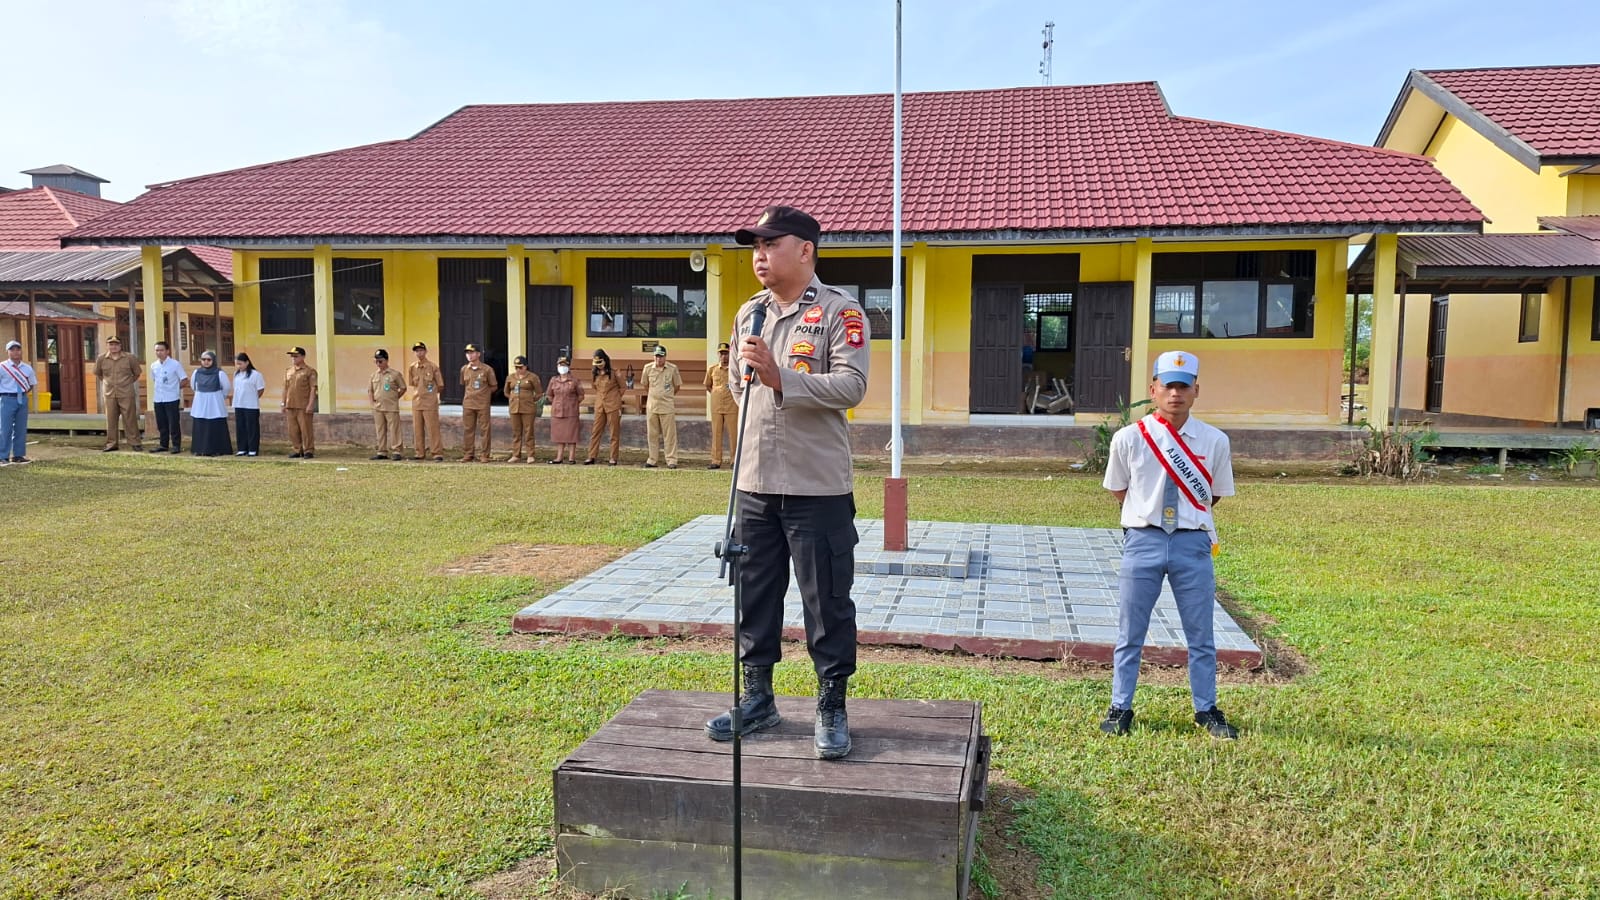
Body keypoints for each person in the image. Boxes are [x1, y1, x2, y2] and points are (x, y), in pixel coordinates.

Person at [704, 205, 870, 761]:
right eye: (754, 246)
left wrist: (783, 378)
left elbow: (851, 386)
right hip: (754, 481)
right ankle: (758, 699)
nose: (759, 255)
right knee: (754, 594)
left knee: (825, 600)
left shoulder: (839, 313)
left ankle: (831, 704)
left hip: (815, 486)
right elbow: (734, 383)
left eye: (771, 244)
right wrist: (758, 376)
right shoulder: (748, 314)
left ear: (805, 250)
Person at [1100, 350, 1239, 740]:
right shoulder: (1129, 438)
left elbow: (1213, 494)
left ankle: (1206, 708)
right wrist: (1149, 516)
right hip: (1142, 540)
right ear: (1153, 390)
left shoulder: (1215, 441)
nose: (1175, 393)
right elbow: (1120, 490)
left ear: (1196, 390)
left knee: (1201, 634)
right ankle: (1120, 706)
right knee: (1131, 631)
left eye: (1183, 386)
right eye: (1167, 386)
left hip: (1192, 544)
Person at [93, 335, 143, 451]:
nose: (113, 346)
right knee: (110, 420)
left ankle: (135, 443)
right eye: (111, 344)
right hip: (109, 393)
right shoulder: (101, 358)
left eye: (116, 344)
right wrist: (108, 383)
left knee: (130, 418)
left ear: (120, 346)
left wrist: (126, 383)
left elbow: (136, 373)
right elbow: (99, 374)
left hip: (126, 393)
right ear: (107, 346)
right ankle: (112, 444)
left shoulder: (130, 358)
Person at [642, 345, 682, 469]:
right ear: (654, 356)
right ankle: (652, 459)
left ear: (665, 357)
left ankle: (671, 460)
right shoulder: (648, 368)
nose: (658, 359)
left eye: (661, 356)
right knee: (652, 434)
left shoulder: (672, 368)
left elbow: (677, 386)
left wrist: (666, 396)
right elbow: (645, 385)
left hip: (667, 406)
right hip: (652, 406)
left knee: (669, 435)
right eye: (656, 356)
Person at [187, 350, 232, 457]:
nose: (206, 362)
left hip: (215, 402)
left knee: (214, 425)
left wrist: (219, 397)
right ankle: (199, 449)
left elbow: (226, 387)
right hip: (200, 402)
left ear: (213, 360)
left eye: (209, 360)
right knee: (200, 424)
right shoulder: (196, 372)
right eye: (203, 360)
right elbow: (193, 386)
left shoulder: (219, 373)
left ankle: (216, 449)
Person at [583, 349, 623, 466]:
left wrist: (615, 397)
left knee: (614, 433)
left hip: (613, 405)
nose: (599, 366)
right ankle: (591, 456)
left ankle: (613, 458)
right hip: (600, 405)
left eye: (600, 362)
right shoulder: (594, 373)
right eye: (597, 364)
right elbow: (594, 387)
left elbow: (623, 388)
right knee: (595, 432)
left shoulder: (615, 372)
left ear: (605, 361)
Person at [1, 339, 38, 465]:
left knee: (20, 428)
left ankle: (18, 455)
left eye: (18, 349)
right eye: (12, 349)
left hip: (22, 398)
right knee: (4, 428)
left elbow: (31, 384)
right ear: (8, 351)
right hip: (6, 398)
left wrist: (22, 393)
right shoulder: (2, 367)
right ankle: (2, 456)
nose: (16, 352)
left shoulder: (27, 368)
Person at [147, 340, 188, 454]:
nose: (159, 353)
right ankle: (163, 444)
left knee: (173, 423)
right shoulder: (154, 365)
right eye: (157, 350)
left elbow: (184, 380)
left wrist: (174, 388)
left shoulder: (175, 364)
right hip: (158, 398)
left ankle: (176, 445)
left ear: (167, 351)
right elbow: (154, 379)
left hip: (171, 398)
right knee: (161, 423)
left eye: (161, 350)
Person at [459, 343, 497, 462]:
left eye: (472, 353)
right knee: (468, 429)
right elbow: (463, 384)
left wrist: (484, 395)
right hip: (468, 403)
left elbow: (494, 386)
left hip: (482, 404)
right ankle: (468, 453)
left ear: (478, 354)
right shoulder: (464, 369)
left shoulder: (487, 369)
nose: (469, 355)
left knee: (484, 430)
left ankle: (485, 454)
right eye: (467, 353)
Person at [408, 341, 446, 461]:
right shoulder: (412, 367)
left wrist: (431, 395)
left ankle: (437, 453)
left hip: (430, 402)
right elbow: (412, 384)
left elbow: (440, 385)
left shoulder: (433, 367)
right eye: (417, 351)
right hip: (416, 402)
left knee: (432, 428)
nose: (419, 353)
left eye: (421, 350)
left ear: (425, 351)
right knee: (417, 429)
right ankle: (419, 453)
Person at [367, 349, 407, 460]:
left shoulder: (395, 374)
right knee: (380, 430)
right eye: (376, 362)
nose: (378, 364)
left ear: (386, 360)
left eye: (381, 361)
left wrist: (395, 397)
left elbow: (403, 388)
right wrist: (372, 404)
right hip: (378, 407)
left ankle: (397, 451)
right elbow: (370, 391)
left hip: (391, 406)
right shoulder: (373, 375)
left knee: (394, 429)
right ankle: (382, 451)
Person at [503, 355, 543, 463]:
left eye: (520, 367)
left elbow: (539, 393)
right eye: (516, 367)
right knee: (516, 432)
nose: (518, 370)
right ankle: (516, 454)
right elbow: (506, 391)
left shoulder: (532, 377)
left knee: (528, 431)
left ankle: (530, 454)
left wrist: (530, 399)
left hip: (528, 408)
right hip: (514, 408)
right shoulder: (511, 377)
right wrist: (512, 398)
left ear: (526, 367)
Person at [703, 341, 737, 469]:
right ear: (718, 355)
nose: (724, 357)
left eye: (726, 354)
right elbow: (708, 385)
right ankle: (716, 460)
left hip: (732, 405)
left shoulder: (735, 369)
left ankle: (734, 460)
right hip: (717, 406)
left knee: (734, 434)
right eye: (722, 354)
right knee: (716, 433)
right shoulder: (712, 369)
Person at [281, 346, 318, 459]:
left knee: (306, 429)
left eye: (296, 356)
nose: (293, 358)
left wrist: (311, 404)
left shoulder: (309, 371)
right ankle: (297, 449)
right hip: (290, 404)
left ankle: (308, 450)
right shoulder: (288, 371)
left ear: (303, 357)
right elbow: (285, 388)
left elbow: (313, 389)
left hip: (303, 405)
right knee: (293, 429)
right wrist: (283, 403)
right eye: (292, 356)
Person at [545, 356, 582, 463]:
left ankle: (571, 458)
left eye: (565, 365)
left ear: (568, 367)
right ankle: (559, 457)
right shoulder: (553, 380)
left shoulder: (575, 381)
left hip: (571, 411)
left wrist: (572, 404)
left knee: (571, 435)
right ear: (557, 366)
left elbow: (581, 395)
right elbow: (549, 395)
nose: (562, 367)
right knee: (559, 435)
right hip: (557, 411)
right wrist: (557, 403)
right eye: (560, 365)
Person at [231, 353, 265, 456]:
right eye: (237, 364)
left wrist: (252, 398)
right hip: (238, 404)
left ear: (247, 362)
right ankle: (242, 448)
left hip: (251, 406)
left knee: (252, 428)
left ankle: (252, 449)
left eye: (240, 364)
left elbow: (260, 389)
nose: (239, 366)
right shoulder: (236, 375)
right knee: (240, 427)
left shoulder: (256, 375)